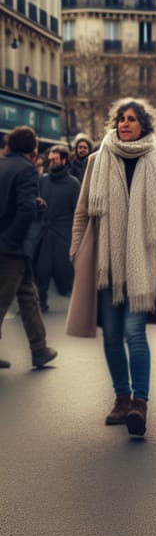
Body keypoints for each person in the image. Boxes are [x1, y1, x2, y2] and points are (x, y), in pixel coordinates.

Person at [66, 99, 156, 438]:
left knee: (134, 332)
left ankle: (139, 403)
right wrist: (77, 251)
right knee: (113, 335)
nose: (124, 124)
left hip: (144, 263)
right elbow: (82, 211)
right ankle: (121, 397)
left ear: (144, 125)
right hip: (106, 262)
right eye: (120, 119)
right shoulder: (96, 161)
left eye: (131, 119)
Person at [0, 126, 58, 370]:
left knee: (28, 296)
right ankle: (39, 348)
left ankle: (39, 348)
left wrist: (34, 204)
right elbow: (24, 209)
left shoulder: (2, 164)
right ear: (33, 148)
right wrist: (13, 239)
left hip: (10, 246)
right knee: (3, 300)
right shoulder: (26, 169)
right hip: (11, 248)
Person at [32, 146, 81, 313]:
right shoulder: (42, 180)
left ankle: (75, 302)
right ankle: (41, 301)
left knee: (64, 268)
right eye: (50, 160)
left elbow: (77, 211)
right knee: (42, 267)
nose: (51, 163)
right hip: (45, 231)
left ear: (64, 160)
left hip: (63, 233)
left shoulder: (73, 184)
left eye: (55, 160)